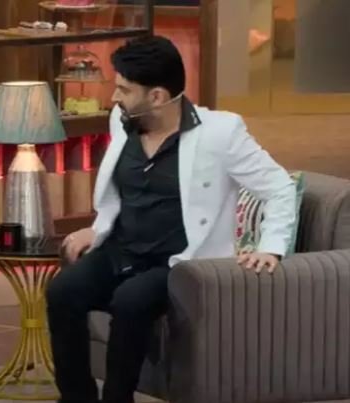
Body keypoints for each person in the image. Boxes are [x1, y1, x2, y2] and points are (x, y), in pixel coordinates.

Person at [46, 35, 296, 403]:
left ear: (157, 96)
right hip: (122, 250)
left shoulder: (220, 133)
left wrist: (270, 247)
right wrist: (97, 229)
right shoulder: (122, 120)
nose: (114, 98)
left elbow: (279, 187)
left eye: (124, 90)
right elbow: (121, 195)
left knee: (129, 301)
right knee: (62, 291)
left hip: (176, 262)